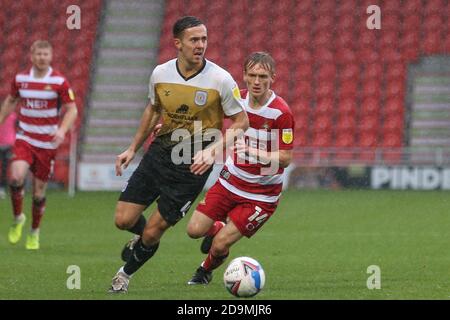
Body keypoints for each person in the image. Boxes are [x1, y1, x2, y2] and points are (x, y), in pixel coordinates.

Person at [108, 16, 249, 293]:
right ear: (178, 43)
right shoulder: (160, 74)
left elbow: (241, 122)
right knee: (123, 220)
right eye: (194, 40)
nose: (200, 45)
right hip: (159, 154)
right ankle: (144, 241)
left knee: (153, 231)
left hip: (191, 166)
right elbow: (152, 109)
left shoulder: (221, 79)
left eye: (204, 39)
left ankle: (124, 275)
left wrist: (212, 151)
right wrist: (132, 148)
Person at [185, 52, 295, 285]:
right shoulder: (237, 101)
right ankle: (217, 226)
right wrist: (169, 125)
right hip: (229, 181)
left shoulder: (281, 113)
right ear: (244, 75)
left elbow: (285, 158)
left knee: (220, 244)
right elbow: (204, 116)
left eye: (263, 76)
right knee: (194, 230)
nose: (257, 81)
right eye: (252, 75)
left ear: (272, 77)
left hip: (261, 195)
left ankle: (204, 271)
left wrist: (254, 154)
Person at [0, 40, 78, 250]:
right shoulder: (20, 79)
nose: (42, 57)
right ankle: (18, 219)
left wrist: (61, 130)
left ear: (51, 56)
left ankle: (34, 232)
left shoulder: (59, 81)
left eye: (46, 54)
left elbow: (72, 109)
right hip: (25, 138)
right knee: (16, 177)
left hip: (47, 143)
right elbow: (10, 101)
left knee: (38, 192)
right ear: (32, 56)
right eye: (39, 54)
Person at [0, 112, 17, 199]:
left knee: (5, 167)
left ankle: (2, 188)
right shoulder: (12, 115)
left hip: (8, 144)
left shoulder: (13, 116)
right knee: (4, 167)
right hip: (7, 143)